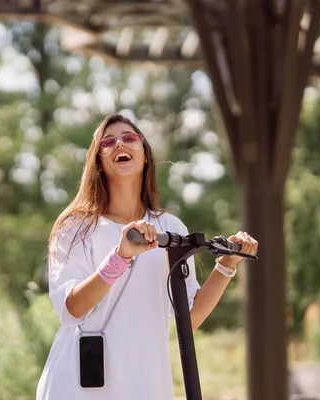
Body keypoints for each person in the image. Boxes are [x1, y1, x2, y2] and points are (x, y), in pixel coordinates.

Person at [36, 114, 258, 400]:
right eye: (108, 141)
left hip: (145, 385)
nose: (119, 144)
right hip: (79, 385)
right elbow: (71, 309)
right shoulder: (76, 227)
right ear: (99, 162)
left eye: (129, 138)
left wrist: (226, 265)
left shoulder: (171, 228)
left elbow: (188, 318)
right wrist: (120, 256)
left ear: (145, 157)